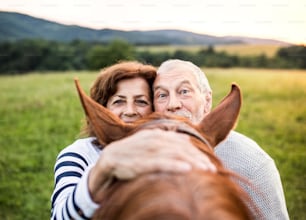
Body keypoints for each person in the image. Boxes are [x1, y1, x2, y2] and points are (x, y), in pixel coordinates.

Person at [50, 61, 215, 220]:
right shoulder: (79, 154)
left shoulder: (165, 151)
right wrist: (103, 168)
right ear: (102, 108)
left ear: (154, 109)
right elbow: (59, 216)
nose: (130, 111)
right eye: (119, 101)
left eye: (141, 101)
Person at [153, 59, 290, 219]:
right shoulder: (144, 155)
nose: (173, 104)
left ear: (207, 101)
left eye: (184, 91)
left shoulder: (251, 165)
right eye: (162, 95)